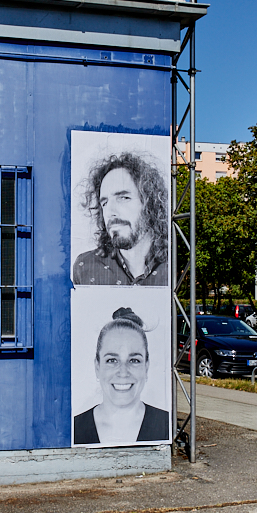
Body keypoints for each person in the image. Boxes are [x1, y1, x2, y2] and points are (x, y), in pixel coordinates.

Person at [74, 307, 169, 445]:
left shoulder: (165, 425)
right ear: (97, 367)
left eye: (134, 360)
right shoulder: (75, 429)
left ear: (146, 367)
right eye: (112, 360)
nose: (123, 372)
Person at [73, 152, 168, 286]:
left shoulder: (173, 264)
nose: (110, 212)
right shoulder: (85, 267)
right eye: (104, 203)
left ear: (150, 203)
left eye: (123, 198)